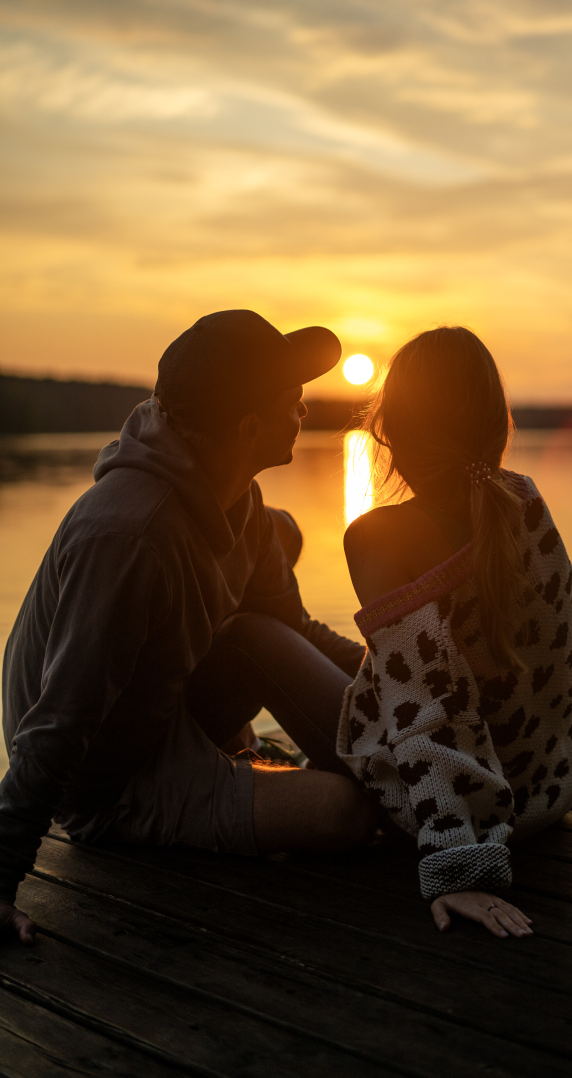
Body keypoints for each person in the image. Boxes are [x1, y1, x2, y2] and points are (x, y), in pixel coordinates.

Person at [0, 310, 379, 946]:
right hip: (104, 778)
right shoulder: (129, 534)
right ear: (249, 426)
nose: (306, 413)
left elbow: (291, 631)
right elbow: (60, 721)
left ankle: (411, 754)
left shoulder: (242, 500)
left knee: (259, 633)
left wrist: (403, 671)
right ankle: (407, 775)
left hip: (163, 708)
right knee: (345, 812)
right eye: (295, 402)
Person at [338, 326, 572, 939]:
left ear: (389, 427)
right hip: (545, 790)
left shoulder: (379, 536)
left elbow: (425, 706)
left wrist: (459, 866)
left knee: (250, 638)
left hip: (451, 808)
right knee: (315, 641)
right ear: (493, 423)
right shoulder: (523, 502)